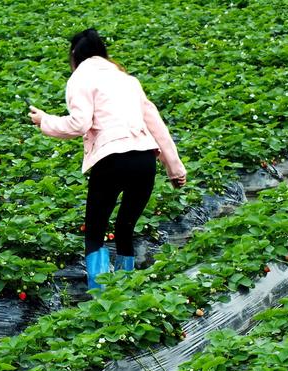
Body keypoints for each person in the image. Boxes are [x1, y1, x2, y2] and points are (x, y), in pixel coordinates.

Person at [28, 28, 187, 290]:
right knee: (125, 228)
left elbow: (80, 124)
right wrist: (175, 170)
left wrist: (45, 120)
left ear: (74, 55)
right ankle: (126, 292)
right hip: (144, 160)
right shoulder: (128, 80)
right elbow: (156, 125)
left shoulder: (80, 78)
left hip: (111, 159)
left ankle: (100, 298)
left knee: (95, 231)